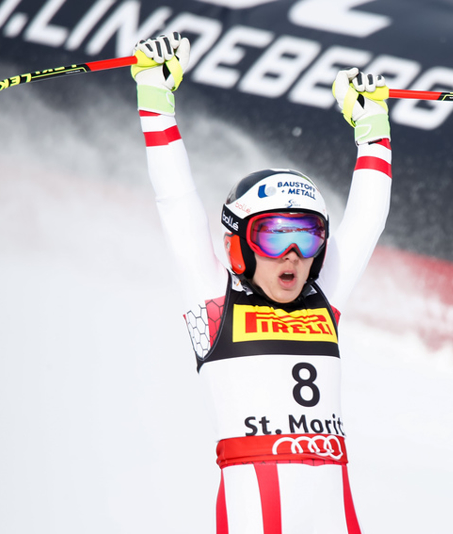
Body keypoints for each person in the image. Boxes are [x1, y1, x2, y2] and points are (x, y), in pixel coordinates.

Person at [132, 33, 392, 533]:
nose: (293, 254)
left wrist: (373, 127)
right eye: (273, 236)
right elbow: (175, 203)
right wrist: (155, 97)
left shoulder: (322, 299)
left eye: (308, 236)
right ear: (240, 245)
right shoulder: (214, 304)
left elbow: (368, 219)